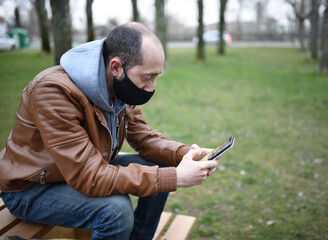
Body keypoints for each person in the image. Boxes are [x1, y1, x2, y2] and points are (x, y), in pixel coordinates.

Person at [0, 22, 217, 240]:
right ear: (116, 67)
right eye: (147, 77)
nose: (152, 87)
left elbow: (145, 139)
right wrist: (175, 177)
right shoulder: (53, 91)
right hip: (31, 189)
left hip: (81, 170)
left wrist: (185, 155)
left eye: (156, 76)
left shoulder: (120, 87)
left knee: (161, 166)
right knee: (116, 211)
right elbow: (87, 175)